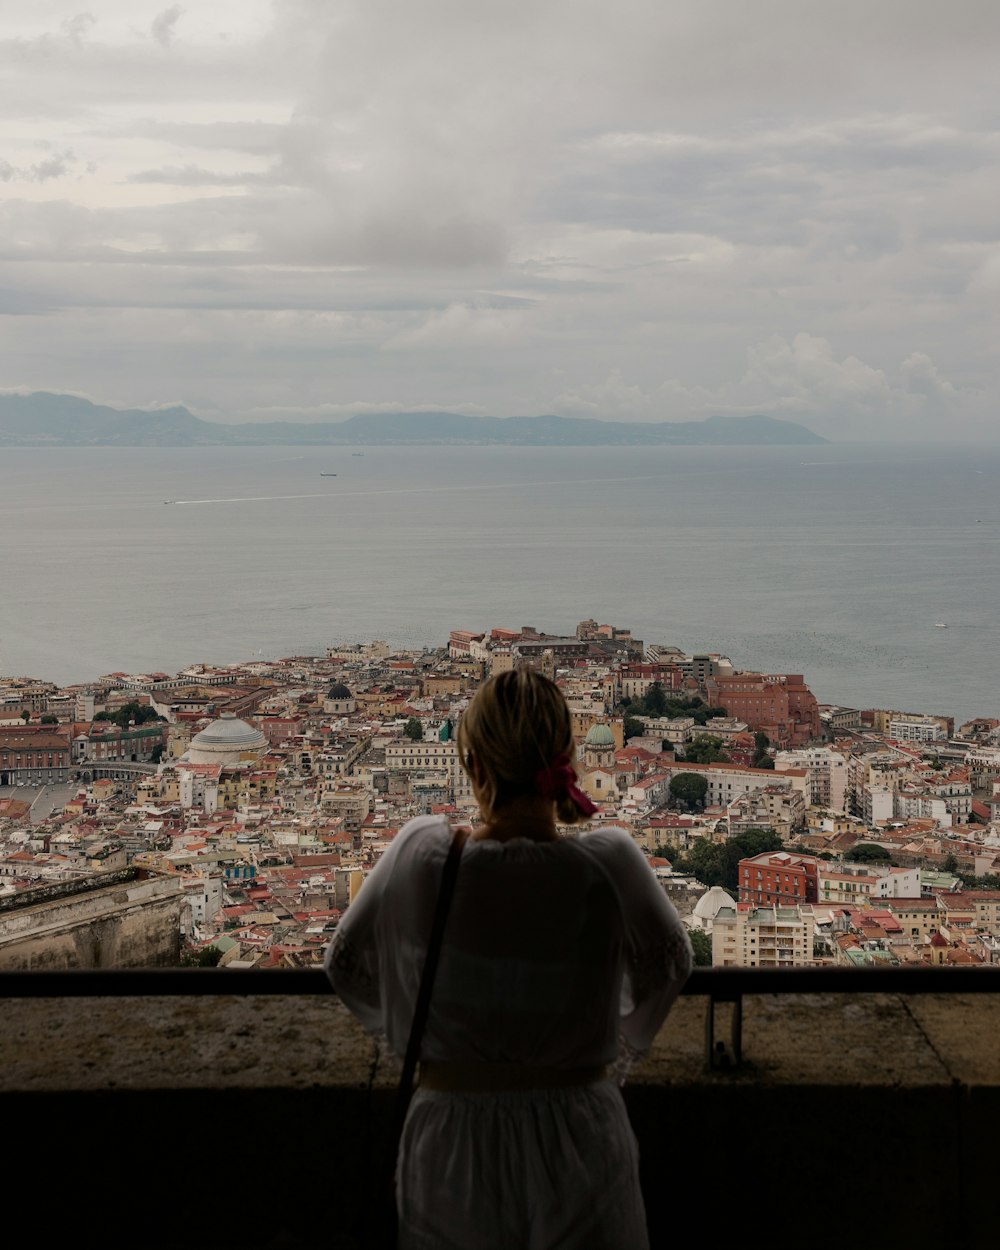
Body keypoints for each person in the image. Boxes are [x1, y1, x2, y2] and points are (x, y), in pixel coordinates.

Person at [326, 668, 693, 1249]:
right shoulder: (610, 865)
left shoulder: (424, 858)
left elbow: (344, 963)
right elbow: (671, 963)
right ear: (567, 760)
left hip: (451, 1134)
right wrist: (609, 1054)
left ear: (473, 766)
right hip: (582, 1130)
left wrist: (420, 1042)